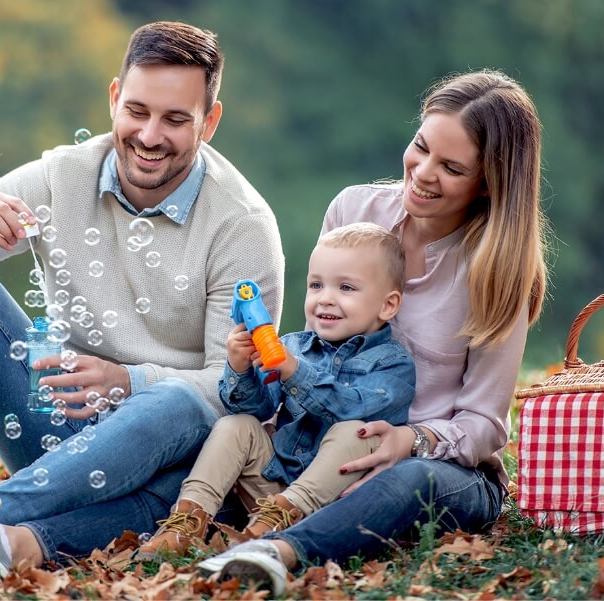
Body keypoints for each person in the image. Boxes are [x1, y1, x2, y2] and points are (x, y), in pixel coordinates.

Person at [0, 21, 284, 582]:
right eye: (137, 110)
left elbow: (240, 393)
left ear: (210, 121)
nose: (150, 134)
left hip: (167, 465)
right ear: (114, 97)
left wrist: (131, 381)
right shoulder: (62, 176)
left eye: (176, 119)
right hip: (57, 432)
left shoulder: (243, 227)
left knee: (180, 404)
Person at [197, 68, 548, 597]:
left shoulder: (497, 271)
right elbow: (320, 339)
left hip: (441, 466)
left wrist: (412, 439)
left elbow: (485, 426)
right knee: (224, 435)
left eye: (452, 167)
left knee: (404, 481)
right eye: (421, 147)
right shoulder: (353, 211)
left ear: (489, 183)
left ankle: (274, 551)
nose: (423, 173)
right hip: (327, 444)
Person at [137, 223, 416, 558]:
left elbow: (352, 409)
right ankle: (186, 521)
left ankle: (277, 524)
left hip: (339, 502)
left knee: (354, 432)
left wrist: (296, 373)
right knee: (235, 426)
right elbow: (254, 409)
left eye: (345, 287)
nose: (325, 298)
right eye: (316, 285)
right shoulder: (293, 347)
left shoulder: (392, 363)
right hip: (272, 493)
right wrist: (241, 369)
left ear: (387, 305)